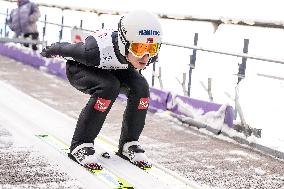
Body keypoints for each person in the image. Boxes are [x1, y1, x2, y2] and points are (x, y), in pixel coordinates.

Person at [40, 10, 163, 170]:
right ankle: (81, 144)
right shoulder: (94, 51)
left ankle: (129, 143)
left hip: (115, 67)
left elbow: (140, 58)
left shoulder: (144, 55)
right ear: (124, 43)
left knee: (141, 89)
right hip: (81, 68)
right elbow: (64, 48)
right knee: (108, 87)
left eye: (152, 48)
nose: (146, 57)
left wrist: (142, 51)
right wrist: (48, 50)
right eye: (139, 49)